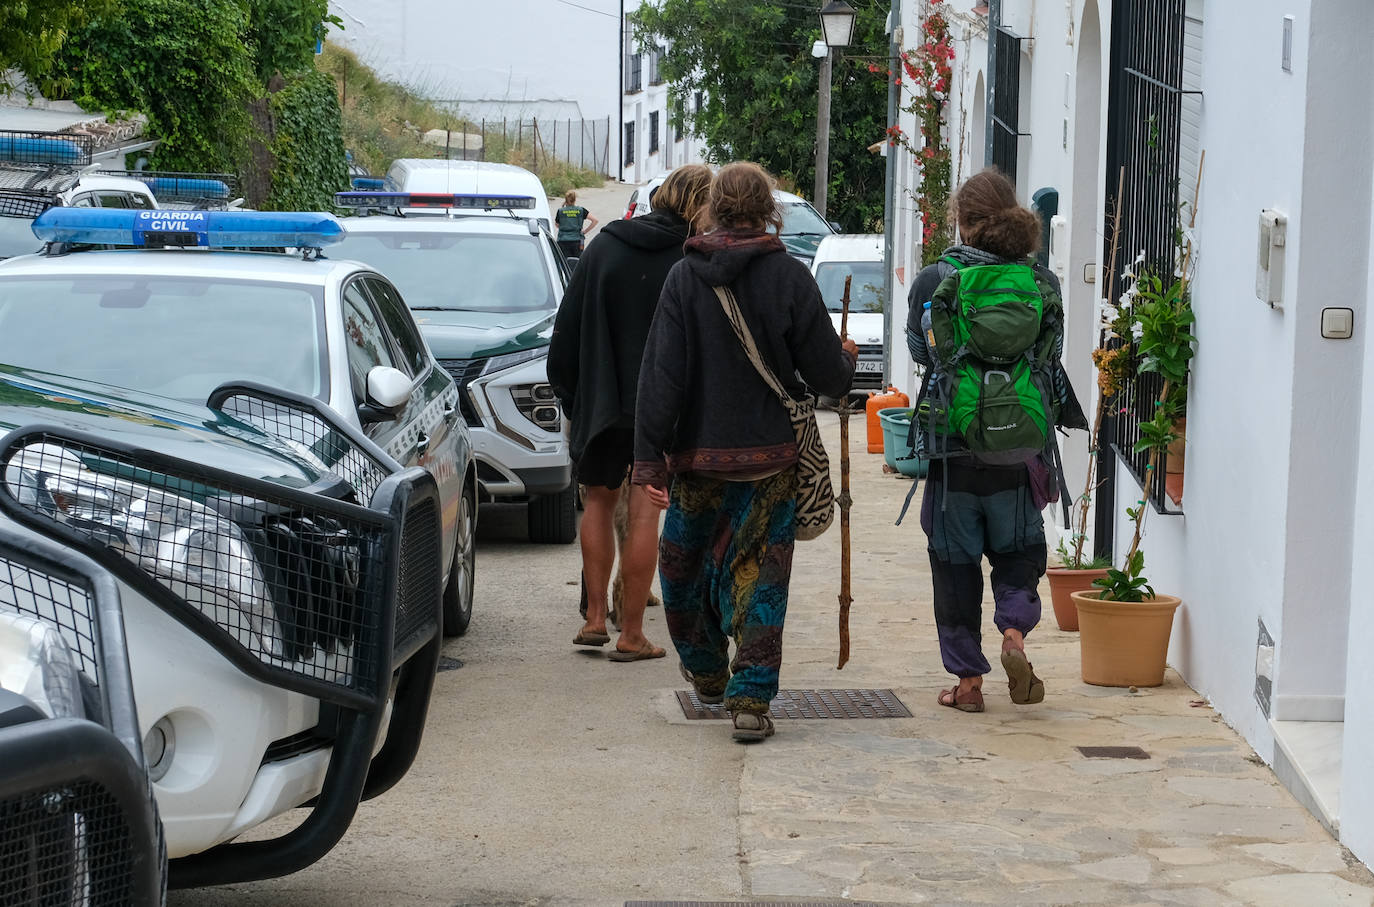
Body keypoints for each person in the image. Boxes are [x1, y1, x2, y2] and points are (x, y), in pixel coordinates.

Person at [633, 162, 858, 741]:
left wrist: (648, 460)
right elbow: (829, 377)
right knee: (763, 576)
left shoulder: (684, 278)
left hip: (697, 462)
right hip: (772, 464)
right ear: (769, 211)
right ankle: (751, 700)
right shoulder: (789, 277)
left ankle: (708, 671)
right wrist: (846, 357)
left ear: (711, 208)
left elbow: (661, 377)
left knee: (682, 569)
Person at [906, 167, 1085, 714]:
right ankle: (1014, 633)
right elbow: (1049, 358)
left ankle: (967, 683)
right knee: (1018, 554)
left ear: (961, 221)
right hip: (1021, 453)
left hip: (954, 448)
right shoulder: (1042, 282)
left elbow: (921, 351)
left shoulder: (936, 278)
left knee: (954, 566)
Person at [549, 164, 713, 661]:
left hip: (601, 405)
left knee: (596, 502)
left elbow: (566, 334)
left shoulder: (604, 246)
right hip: (660, 411)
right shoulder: (691, 260)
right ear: (698, 207)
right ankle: (632, 634)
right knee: (645, 515)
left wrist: (577, 400)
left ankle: (595, 619)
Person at [554, 191, 598, 258]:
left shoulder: (560, 211)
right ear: (575, 199)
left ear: (566, 200)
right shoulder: (581, 210)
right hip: (578, 241)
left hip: (563, 240)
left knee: (565, 262)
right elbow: (595, 220)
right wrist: (585, 231)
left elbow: (557, 225)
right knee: (578, 261)